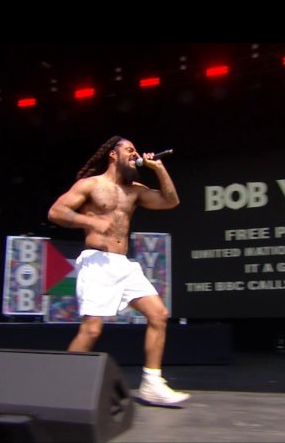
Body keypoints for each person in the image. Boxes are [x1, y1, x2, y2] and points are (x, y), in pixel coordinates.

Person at [48, 135, 190, 405]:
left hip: (123, 265)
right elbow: (56, 212)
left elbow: (170, 201)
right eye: (129, 150)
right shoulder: (91, 185)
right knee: (91, 330)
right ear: (113, 154)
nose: (134, 154)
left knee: (159, 314)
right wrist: (90, 223)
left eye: (136, 151)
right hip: (97, 262)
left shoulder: (135, 190)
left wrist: (159, 168)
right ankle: (63, 387)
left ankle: (151, 383)